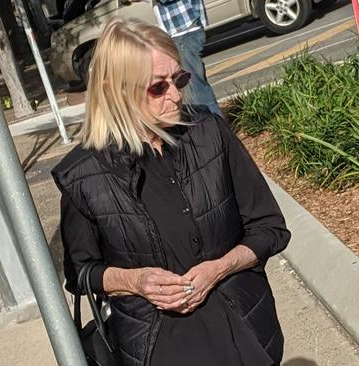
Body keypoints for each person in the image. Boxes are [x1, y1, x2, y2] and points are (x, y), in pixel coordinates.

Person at [52, 18, 290, 366]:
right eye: (157, 87)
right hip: (156, 345)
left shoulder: (208, 134)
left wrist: (219, 268)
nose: (176, 95)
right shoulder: (83, 175)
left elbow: (270, 227)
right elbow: (81, 273)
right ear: (116, 91)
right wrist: (136, 281)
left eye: (179, 79)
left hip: (242, 329)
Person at [151, 0, 221, 115]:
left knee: (197, 90)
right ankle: (212, 125)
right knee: (193, 88)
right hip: (181, 32)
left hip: (184, 31)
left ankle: (217, 127)